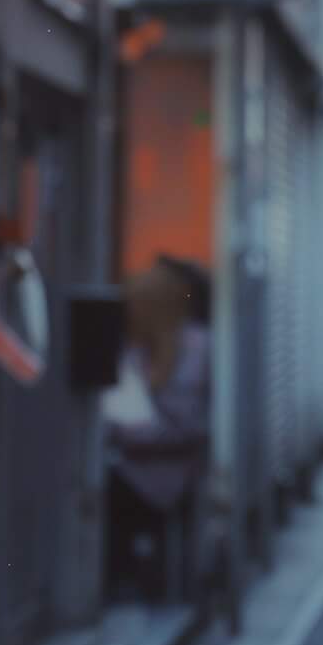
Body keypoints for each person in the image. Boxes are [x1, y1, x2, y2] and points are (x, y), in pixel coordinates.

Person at [104, 257, 211, 602]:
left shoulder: (195, 348)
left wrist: (123, 432)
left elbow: (187, 425)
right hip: (135, 460)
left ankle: (122, 582)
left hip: (166, 469)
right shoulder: (132, 348)